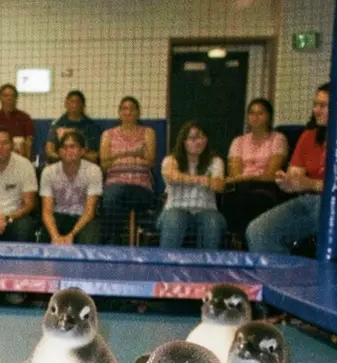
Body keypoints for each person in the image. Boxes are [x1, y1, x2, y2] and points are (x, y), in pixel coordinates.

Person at [246, 84, 337, 256]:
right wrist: (287, 182)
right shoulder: (309, 136)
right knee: (258, 230)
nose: (316, 110)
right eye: (315, 104)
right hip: (312, 203)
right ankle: (283, 279)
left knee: (318, 206)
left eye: (323, 106)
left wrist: (309, 184)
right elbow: (295, 175)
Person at [221, 98, 290, 239]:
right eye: (252, 113)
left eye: (260, 113)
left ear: (269, 116)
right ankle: (237, 240)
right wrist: (244, 179)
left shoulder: (278, 139)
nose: (255, 117)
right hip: (241, 187)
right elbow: (235, 174)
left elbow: (272, 173)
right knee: (231, 198)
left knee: (251, 200)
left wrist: (250, 177)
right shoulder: (238, 142)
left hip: (266, 187)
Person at [158, 121, 226, 250]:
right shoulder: (171, 160)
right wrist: (202, 180)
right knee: (174, 220)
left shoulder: (216, 161)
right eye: (193, 138)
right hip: (175, 208)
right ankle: (167, 266)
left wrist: (211, 182)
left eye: (202, 137)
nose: (198, 141)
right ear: (184, 142)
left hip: (206, 210)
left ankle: (209, 267)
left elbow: (218, 186)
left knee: (213, 222)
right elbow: (172, 176)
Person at [99, 96, 157, 244]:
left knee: (119, 198)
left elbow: (150, 161)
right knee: (112, 198)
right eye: (124, 108)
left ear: (138, 112)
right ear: (119, 112)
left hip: (140, 186)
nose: (128, 112)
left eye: (132, 109)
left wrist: (116, 157)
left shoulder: (148, 132)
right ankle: (112, 246)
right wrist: (133, 153)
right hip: (115, 184)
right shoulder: (108, 134)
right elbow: (104, 164)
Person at [38, 129, 102, 244]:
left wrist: (71, 235)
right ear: (59, 152)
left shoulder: (94, 171)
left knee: (91, 235)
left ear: (82, 151)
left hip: (83, 218)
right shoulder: (48, 172)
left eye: (73, 147)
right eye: (64, 147)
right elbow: (46, 212)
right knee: (47, 236)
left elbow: (89, 212)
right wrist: (55, 236)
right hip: (58, 216)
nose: (68, 151)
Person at [44, 90, 100, 163]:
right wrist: (63, 158)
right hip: (61, 164)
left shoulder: (92, 126)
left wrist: (75, 155)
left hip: (84, 165)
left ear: (83, 105)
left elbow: (95, 156)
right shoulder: (57, 125)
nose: (74, 105)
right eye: (71, 101)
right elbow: (50, 151)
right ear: (66, 104)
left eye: (77, 102)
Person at [0, 84, 34, 160]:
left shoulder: (25, 118)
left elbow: (29, 144)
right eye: (5, 96)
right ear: (0, 98)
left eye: (12, 96)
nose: (9, 98)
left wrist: (25, 162)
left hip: (19, 159)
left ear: (16, 98)